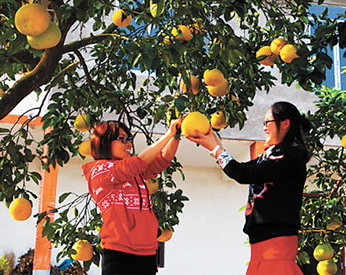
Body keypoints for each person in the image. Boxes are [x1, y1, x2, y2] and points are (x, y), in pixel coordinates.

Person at [185, 101, 311, 275]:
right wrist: (211, 137)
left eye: (268, 122)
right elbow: (241, 169)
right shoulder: (273, 155)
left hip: (276, 244)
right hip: (263, 246)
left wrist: (214, 149)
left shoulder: (289, 156)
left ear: (285, 123)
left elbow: (242, 174)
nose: (264, 127)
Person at [82, 118, 182, 275]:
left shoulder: (135, 173)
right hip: (119, 253)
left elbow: (163, 160)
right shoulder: (100, 170)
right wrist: (168, 133)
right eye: (122, 139)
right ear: (104, 141)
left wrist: (175, 136)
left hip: (147, 253)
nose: (128, 144)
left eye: (129, 139)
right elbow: (137, 163)